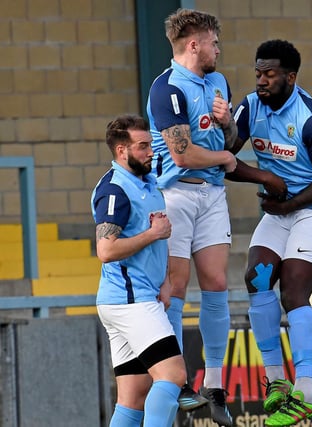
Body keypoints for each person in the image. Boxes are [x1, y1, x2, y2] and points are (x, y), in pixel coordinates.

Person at [228, 39, 312, 426]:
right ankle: (276, 381)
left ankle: (306, 393)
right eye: (258, 72)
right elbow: (227, 156)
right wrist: (226, 127)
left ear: (291, 77)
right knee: (256, 279)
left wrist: (290, 203)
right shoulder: (250, 106)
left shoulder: (311, 120)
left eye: (270, 73)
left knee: (293, 290)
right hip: (279, 210)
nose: (261, 80)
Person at [146, 8, 238, 425]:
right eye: (214, 42)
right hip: (176, 194)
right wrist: (225, 156)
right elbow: (181, 152)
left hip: (213, 193)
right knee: (177, 285)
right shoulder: (166, 89)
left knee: (217, 282)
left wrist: (228, 123)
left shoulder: (218, 82)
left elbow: (232, 136)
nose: (219, 49)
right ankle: (179, 381)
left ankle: (215, 385)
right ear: (194, 44)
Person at [91, 114, 186, 427]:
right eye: (143, 146)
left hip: (134, 299)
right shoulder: (115, 190)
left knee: (134, 395)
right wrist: (152, 234)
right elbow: (105, 250)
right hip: (131, 302)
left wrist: (167, 281)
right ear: (122, 151)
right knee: (173, 375)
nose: (150, 151)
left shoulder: (146, 182)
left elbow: (158, 236)